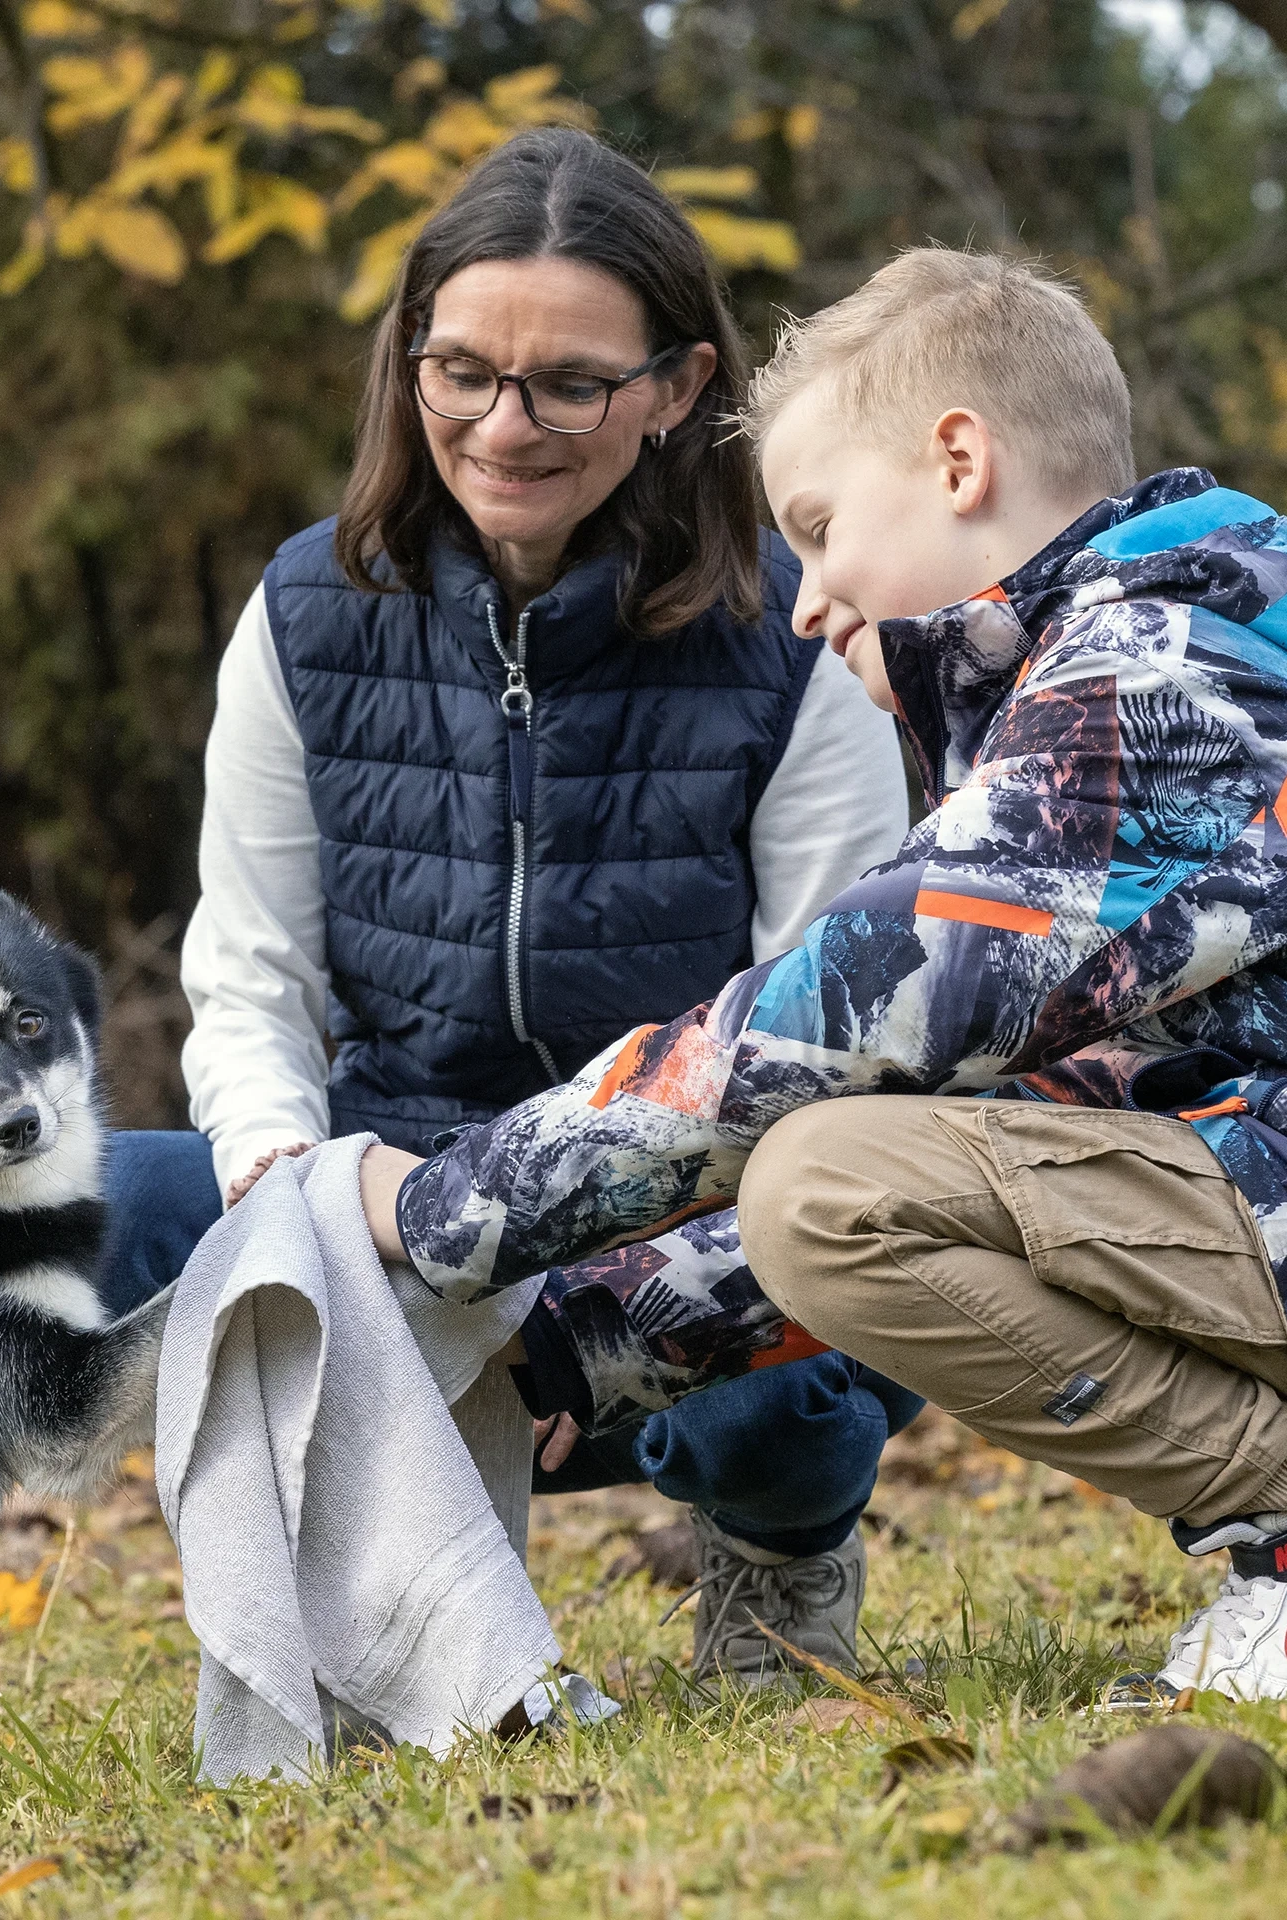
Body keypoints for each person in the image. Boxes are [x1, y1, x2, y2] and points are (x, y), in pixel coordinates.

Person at [360, 245, 1287, 1704]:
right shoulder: (1169, 643)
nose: (802, 602)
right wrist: (582, 1337)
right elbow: (1060, 1124)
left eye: (818, 524)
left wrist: (441, 1213)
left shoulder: (1162, 680)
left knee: (822, 1182)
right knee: (846, 1176)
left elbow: (832, 1024)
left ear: (958, 458)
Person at [103, 126, 915, 1683]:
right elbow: (251, 978)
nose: (502, 424)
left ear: (677, 389)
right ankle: (369, 1570)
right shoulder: (303, 613)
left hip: (675, 1216)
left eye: (568, 384)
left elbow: (818, 1052)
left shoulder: (792, 643)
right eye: (459, 369)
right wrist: (296, 1194)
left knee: (811, 1296)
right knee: (94, 1207)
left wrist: (579, 1265)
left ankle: (782, 1551)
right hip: (382, 1199)